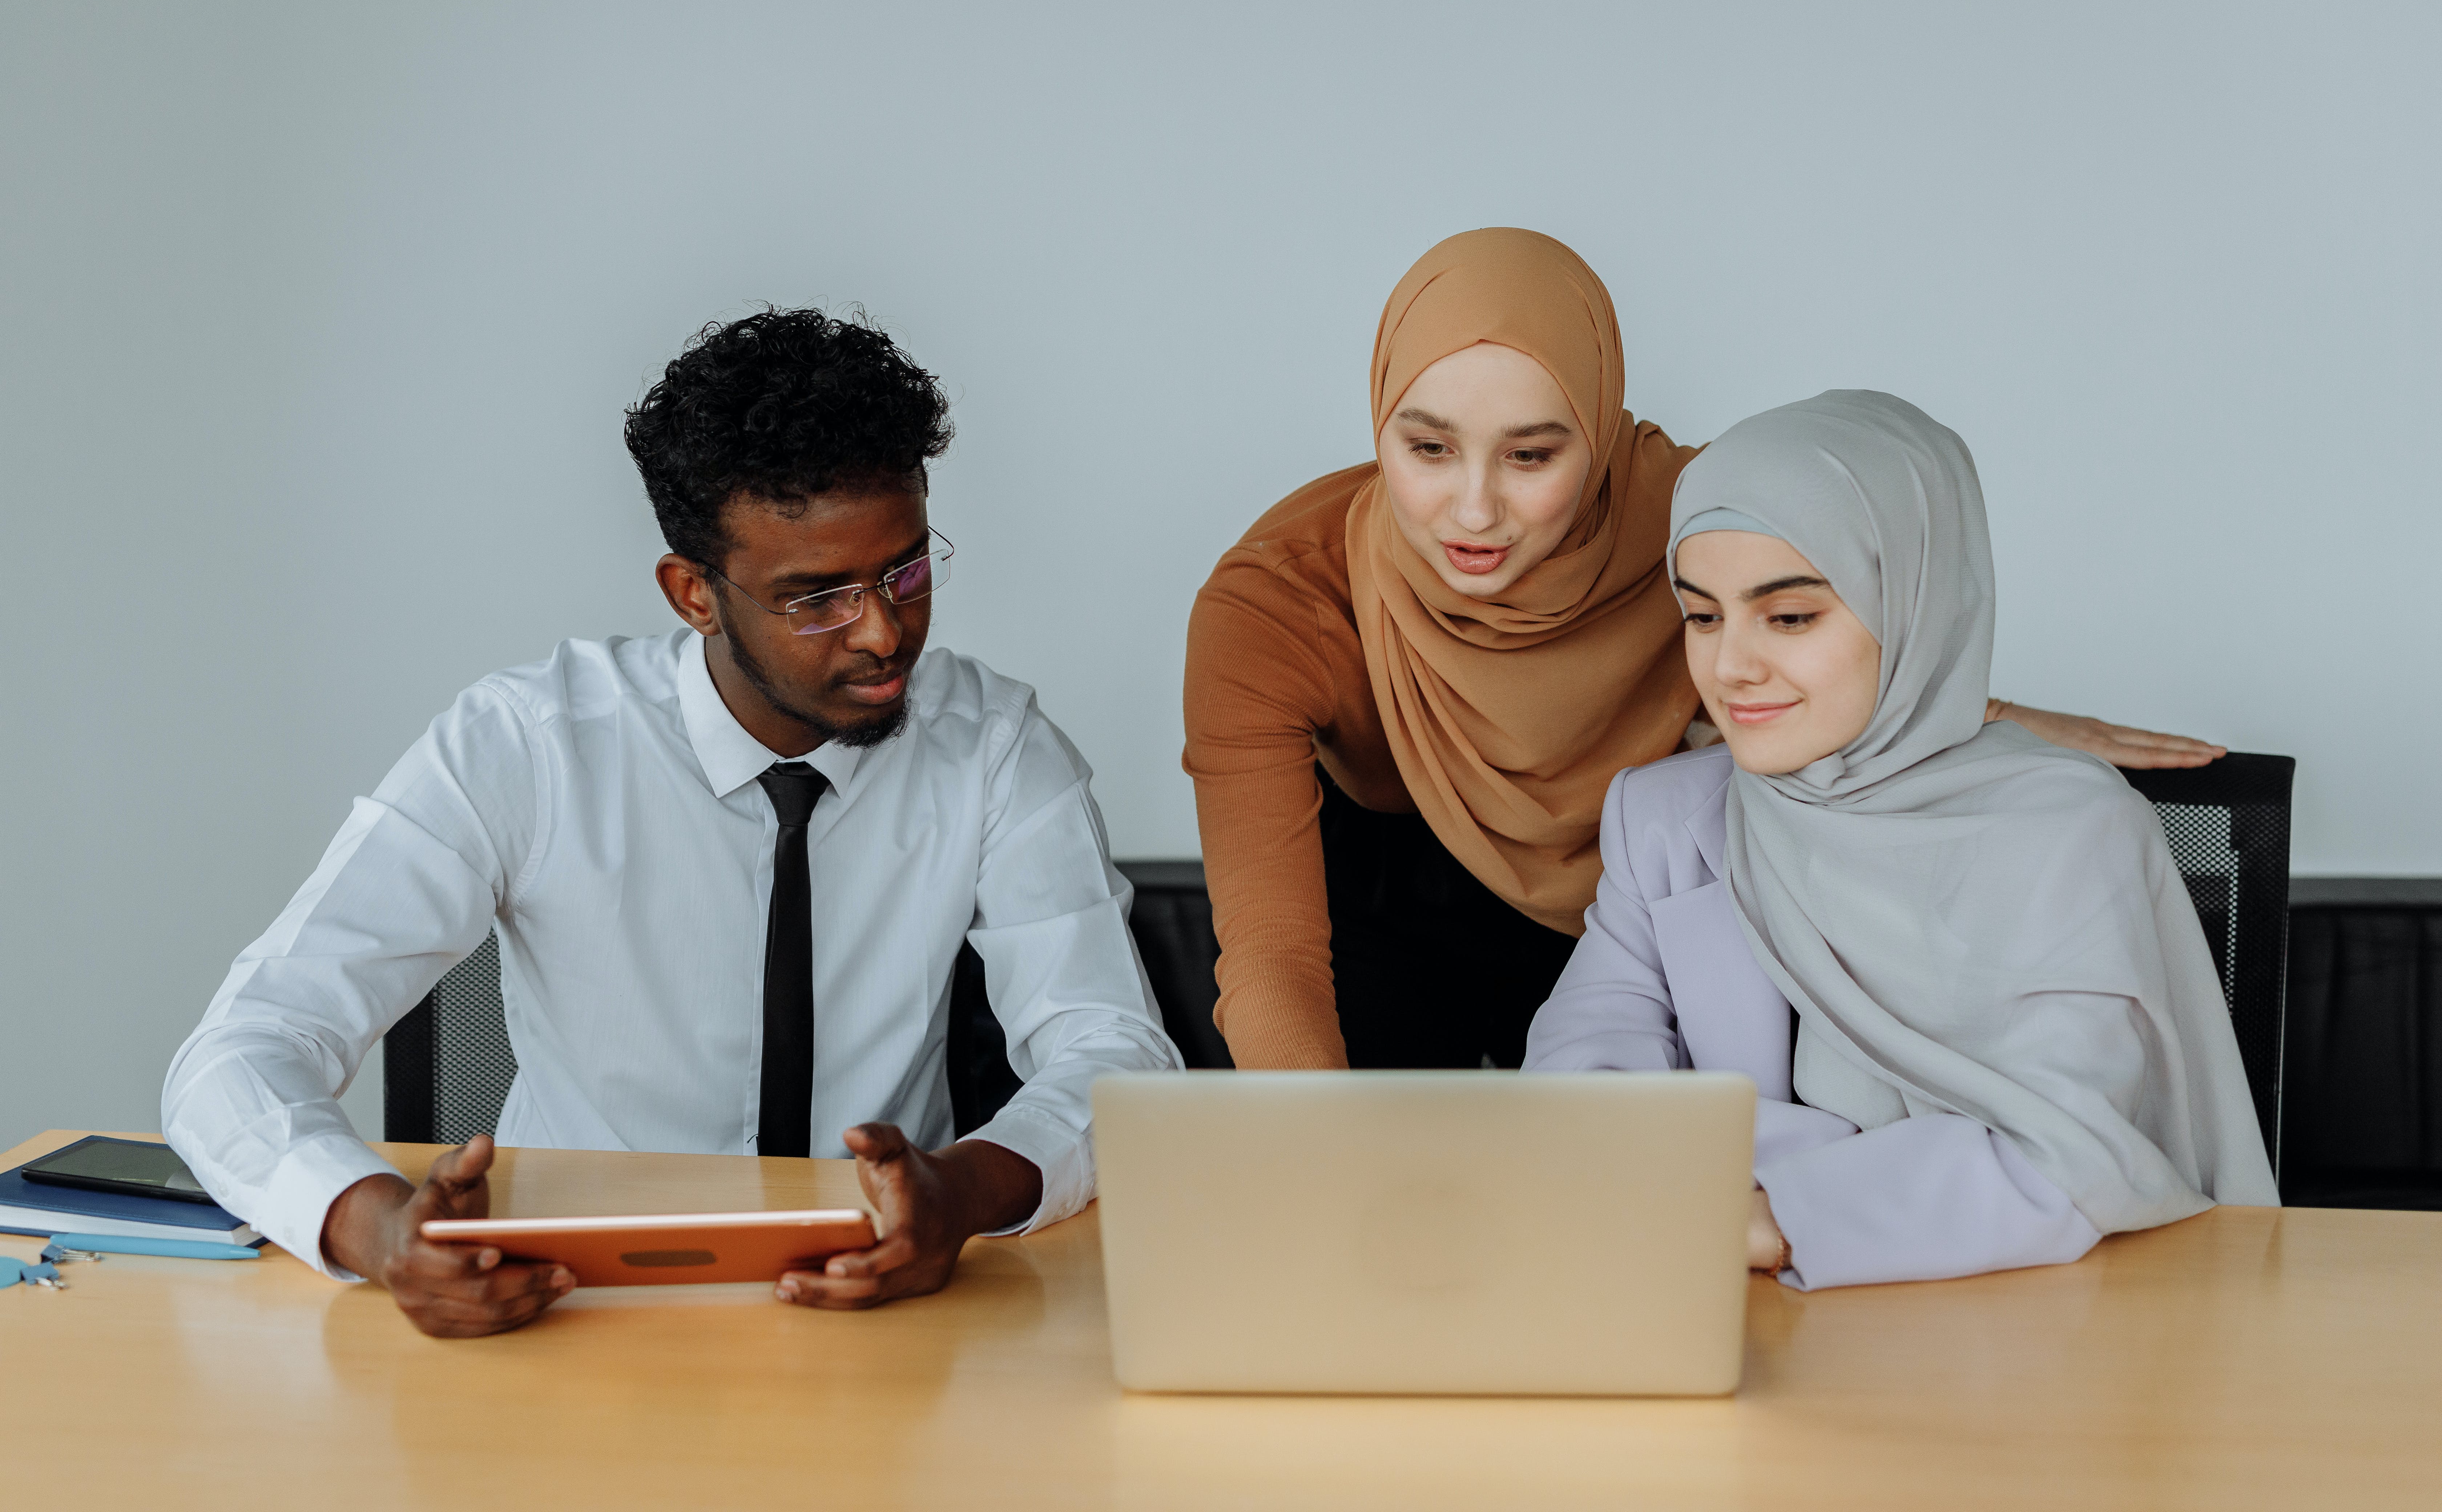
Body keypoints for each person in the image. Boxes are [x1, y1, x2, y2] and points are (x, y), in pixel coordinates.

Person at [162, 308, 1180, 1336]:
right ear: (694, 593)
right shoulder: (531, 744)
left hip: (885, 1310)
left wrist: (963, 1194)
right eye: (816, 599)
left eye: (905, 572)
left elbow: (1116, 1057)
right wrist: (380, 1234)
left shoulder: (993, 745)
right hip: (570, 1305)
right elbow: (243, 1050)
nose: (883, 631)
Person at [1184, 228, 2224, 1071]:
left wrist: (1964, 709)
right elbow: (1273, 959)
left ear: (1598, 429)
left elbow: (1837, 606)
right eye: (1427, 448)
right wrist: (1307, 1161)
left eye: (1534, 455)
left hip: (1650, 897)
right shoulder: (1281, 602)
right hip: (1393, 919)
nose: (1474, 509)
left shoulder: (1695, 516)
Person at [1525, 390, 2277, 1289]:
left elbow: (2076, 1155)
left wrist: (1770, 1204)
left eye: (1791, 616)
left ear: (1918, 604)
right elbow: (1575, 1098)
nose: (1730, 667)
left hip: (2039, 1336)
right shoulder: (1665, 820)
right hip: (1758, 1328)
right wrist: (1863, 1167)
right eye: (1704, 614)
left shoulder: (2069, 829)